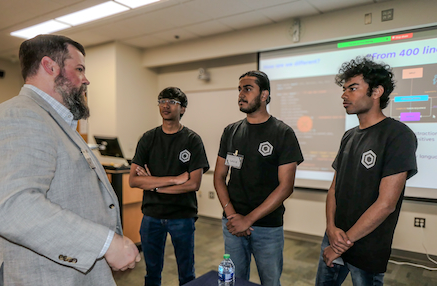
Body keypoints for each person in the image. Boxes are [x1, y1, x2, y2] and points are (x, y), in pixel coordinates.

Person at [0, 35, 140, 286]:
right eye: (79, 69)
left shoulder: (58, 121)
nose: (86, 79)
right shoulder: (21, 115)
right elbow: (13, 207)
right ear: (50, 66)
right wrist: (106, 243)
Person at [315, 57, 418, 286]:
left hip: (367, 245)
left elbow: (386, 204)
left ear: (376, 92)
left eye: (352, 88)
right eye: (344, 89)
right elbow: (334, 189)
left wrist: (343, 243)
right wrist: (331, 229)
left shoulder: (399, 135)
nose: (344, 95)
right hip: (334, 237)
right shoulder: (349, 136)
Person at [213, 70, 304, 286]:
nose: (241, 95)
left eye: (247, 89)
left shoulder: (283, 133)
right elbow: (219, 177)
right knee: (234, 282)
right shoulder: (231, 131)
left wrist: (249, 219)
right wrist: (232, 215)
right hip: (233, 224)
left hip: (267, 227)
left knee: (270, 282)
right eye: (239, 89)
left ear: (264, 95)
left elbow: (286, 187)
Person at [129, 87, 209, 286]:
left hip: (182, 216)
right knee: (152, 274)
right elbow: (134, 180)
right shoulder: (148, 138)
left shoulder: (192, 140)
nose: (166, 105)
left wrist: (153, 184)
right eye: (162, 100)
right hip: (151, 216)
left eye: (172, 102)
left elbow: (193, 183)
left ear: (182, 109)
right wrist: (173, 180)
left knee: (187, 274)